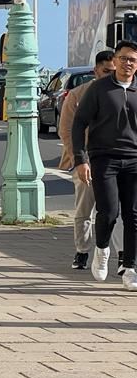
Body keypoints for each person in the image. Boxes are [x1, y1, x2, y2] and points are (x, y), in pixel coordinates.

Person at [72, 39, 137, 290]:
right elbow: (79, 123)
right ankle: (101, 250)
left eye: (132, 60)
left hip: (133, 159)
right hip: (103, 158)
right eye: (123, 59)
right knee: (109, 212)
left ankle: (130, 267)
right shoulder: (99, 89)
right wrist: (81, 159)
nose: (127, 64)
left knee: (132, 215)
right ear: (115, 61)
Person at [59, 51, 122, 272]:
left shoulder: (121, 92)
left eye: (113, 72)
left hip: (115, 161)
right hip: (86, 160)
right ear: (95, 70)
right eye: (106, 71)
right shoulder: (78, 94)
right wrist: (78, 158)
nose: (110, 75)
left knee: (116, 210)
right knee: (85, 209)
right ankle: (82, 251)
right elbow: (66, 129)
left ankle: (122, 255)